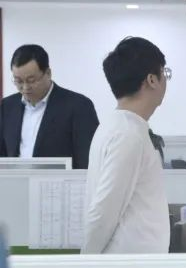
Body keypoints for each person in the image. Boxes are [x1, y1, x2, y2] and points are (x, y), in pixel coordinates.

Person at [82, 37, 171, 255]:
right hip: (127, 267)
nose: (166, 80)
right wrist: (84, 264)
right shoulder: (128, 135)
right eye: (165, 73)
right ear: (152, 80)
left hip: (134, 265)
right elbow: (103, 213)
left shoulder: (122, 127)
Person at [1, 44, 99, 169]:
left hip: (61, 181)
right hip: (16, 181)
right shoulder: (6, 107)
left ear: (48, 73)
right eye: (18, 81)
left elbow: (87, 161)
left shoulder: (78, 106)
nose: (25, 87)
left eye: (31, 80)